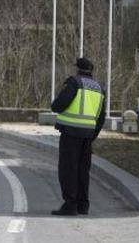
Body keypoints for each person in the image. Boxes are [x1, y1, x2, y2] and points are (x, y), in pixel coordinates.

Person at [50, 57, 106, 216]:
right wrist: (92, 135)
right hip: (88, 135)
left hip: (71, 133)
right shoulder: (99, 88)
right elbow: (101, 118)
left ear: (77, 69)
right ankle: (83, 205)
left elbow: (57, 106)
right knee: (83, 170)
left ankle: (70, 205)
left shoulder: (74, 83)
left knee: (69, 169)